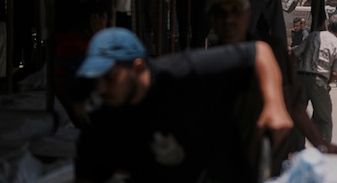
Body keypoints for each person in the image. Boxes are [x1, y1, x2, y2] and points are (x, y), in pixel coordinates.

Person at [73, 27, 292, 183]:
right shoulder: (101, 118)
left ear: (138, 67)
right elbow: (87, 176)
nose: (100, 88)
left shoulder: (186, 72)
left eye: (109, 77)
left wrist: (275, 105)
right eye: (95, 80)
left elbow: (259, 51)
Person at [205, 0, 337, 170]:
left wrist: (320, 144)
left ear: (248, 15)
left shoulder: (272, 50)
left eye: (235, 10)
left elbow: (295, 105)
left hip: (276, 155)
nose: (229, 19)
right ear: (211, 20)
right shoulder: (204, 65)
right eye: (221, 13)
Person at [294, 14, 337, 145]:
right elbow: (336, 73)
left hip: (300, 77)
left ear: (328, 26)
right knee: (324, 119)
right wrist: (326, 82)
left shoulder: (313, 36)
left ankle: (296, 148)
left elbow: (295, 55)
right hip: (319, 79)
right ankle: (322, 149)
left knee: (297, 114)